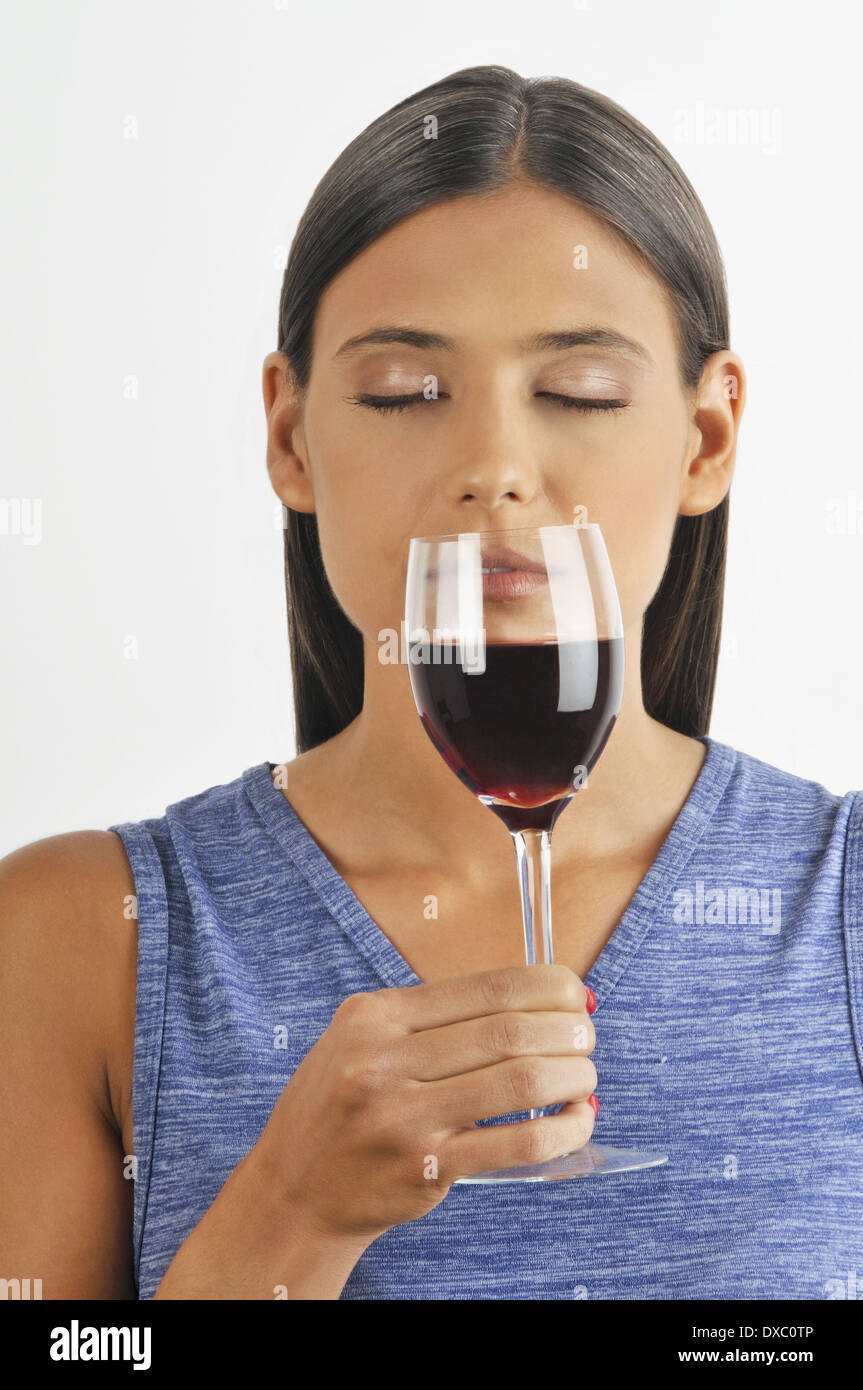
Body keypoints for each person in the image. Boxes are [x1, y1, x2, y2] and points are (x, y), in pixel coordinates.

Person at [2, 65, 861, 1301]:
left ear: (705, 439)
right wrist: (284, 1217)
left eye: (578, 391)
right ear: (290, 438)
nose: (494, 468)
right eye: (405, 393)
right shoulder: (78, 940)